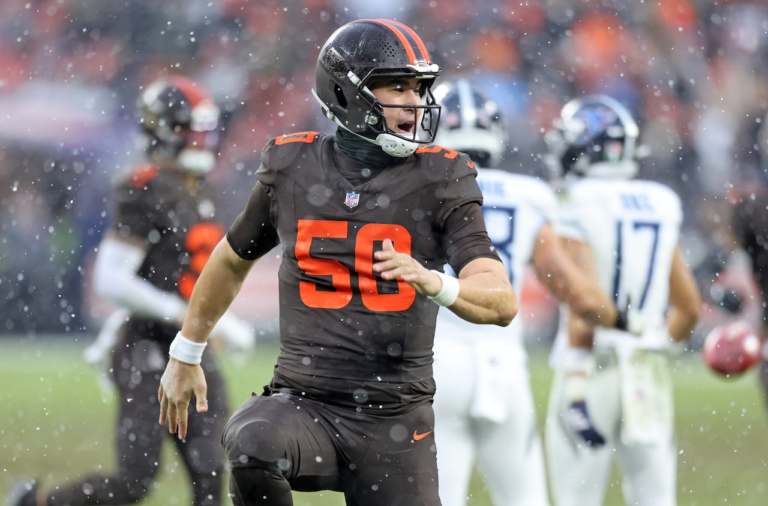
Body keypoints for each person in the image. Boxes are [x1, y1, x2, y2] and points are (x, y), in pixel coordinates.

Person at [156, 19, 517, 506]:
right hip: (305, 406)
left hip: (394, 419)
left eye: (418, 88)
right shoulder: (292, 166)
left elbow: (501, 302)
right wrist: (186, 352)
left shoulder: (442, 176)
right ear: (347, 93)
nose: (414, 102)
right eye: (397, 87)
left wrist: (436, 283)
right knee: (252, 440)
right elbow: (230, 260)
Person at [7, 76, 254, 506]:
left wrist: (213, 321)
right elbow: (111, 279)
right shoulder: (145, 188)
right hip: (147, 345)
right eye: (189, 128)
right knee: (136, 480)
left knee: (212, 473)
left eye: (205, 129)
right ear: (162, 129)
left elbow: (198, 278)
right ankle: (34, 502)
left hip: (192, 346)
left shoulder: (201, 188)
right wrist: (187, 316)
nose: (200, 139)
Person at [430, 79, 640, 506]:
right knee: (524, 497)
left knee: (439, 498)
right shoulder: (528, 195)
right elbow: (575, 291)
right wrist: (622, 319)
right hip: (503, 364)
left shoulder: (417, 188)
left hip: (436, 364)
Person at [543, 95, 701, 506]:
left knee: (576, 498)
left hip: (592, 367)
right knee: (655, 497)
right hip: (645, 367)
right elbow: (689, 308)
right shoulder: (661, 201)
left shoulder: (575, 199)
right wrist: (655, 345)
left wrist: (577, 383)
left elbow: (583, 304)